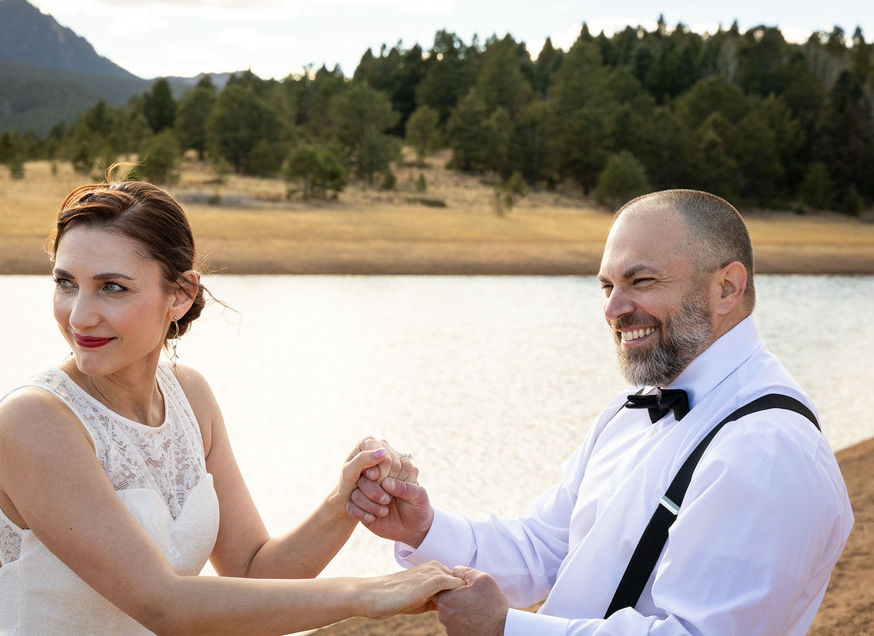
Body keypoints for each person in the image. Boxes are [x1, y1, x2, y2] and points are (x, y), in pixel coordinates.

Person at [347, 189, 853, 635]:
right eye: (607, 286)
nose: (613, 309)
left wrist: (507, 631)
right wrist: (422, 527)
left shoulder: (769, 449)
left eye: (642, 281)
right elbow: (545, 547)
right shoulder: (627, 413)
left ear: (727, 288)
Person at [0, 174, 463, 635]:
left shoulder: (191, 398)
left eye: (112, 287)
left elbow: (253, 573)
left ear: (181, 294)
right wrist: (364, 594)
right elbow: (165, 607)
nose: (79, 315)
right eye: (66, 283)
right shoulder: (33, 420)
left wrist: (345, 504)